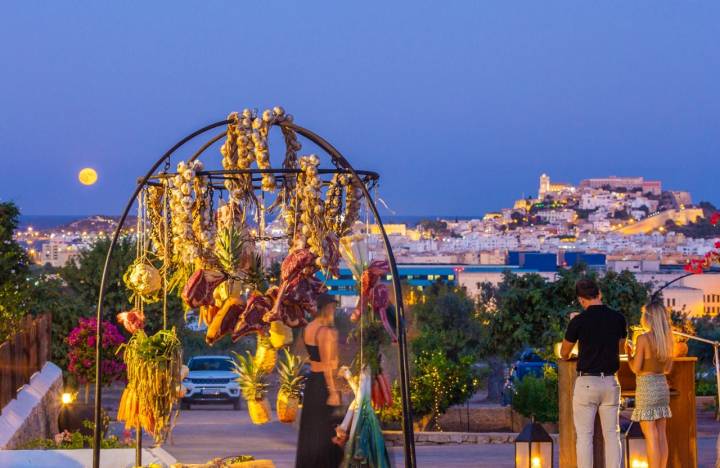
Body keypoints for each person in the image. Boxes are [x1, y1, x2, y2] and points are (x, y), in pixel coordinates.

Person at [560, 278, 627, 468]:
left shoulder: (579, 321)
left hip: (587, 382)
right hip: (610, 382)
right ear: (600, 294)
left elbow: (564, 353)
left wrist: (574, 325)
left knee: (584, 437)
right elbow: (621, 350)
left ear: (581, 300)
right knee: (612, 435)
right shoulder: (618, 318)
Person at [295, 293, 343, 468]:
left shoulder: (308, 328)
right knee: (326, 431)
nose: (334, 311)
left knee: (311, 430)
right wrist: (333, 392)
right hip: (323, 385)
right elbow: (328, 367)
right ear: (327, 309)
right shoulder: (327, 332)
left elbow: (308, 357)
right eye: (333, 307)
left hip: (311, 383)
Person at [625, 300, 673, 468]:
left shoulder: (643, 338)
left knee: (650, 434)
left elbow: (636, 369)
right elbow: (667, 368)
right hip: (662, 386)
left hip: (647, 387)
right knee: (661, 434)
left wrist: (629, 354)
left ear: (648, 317)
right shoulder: (667, 339)